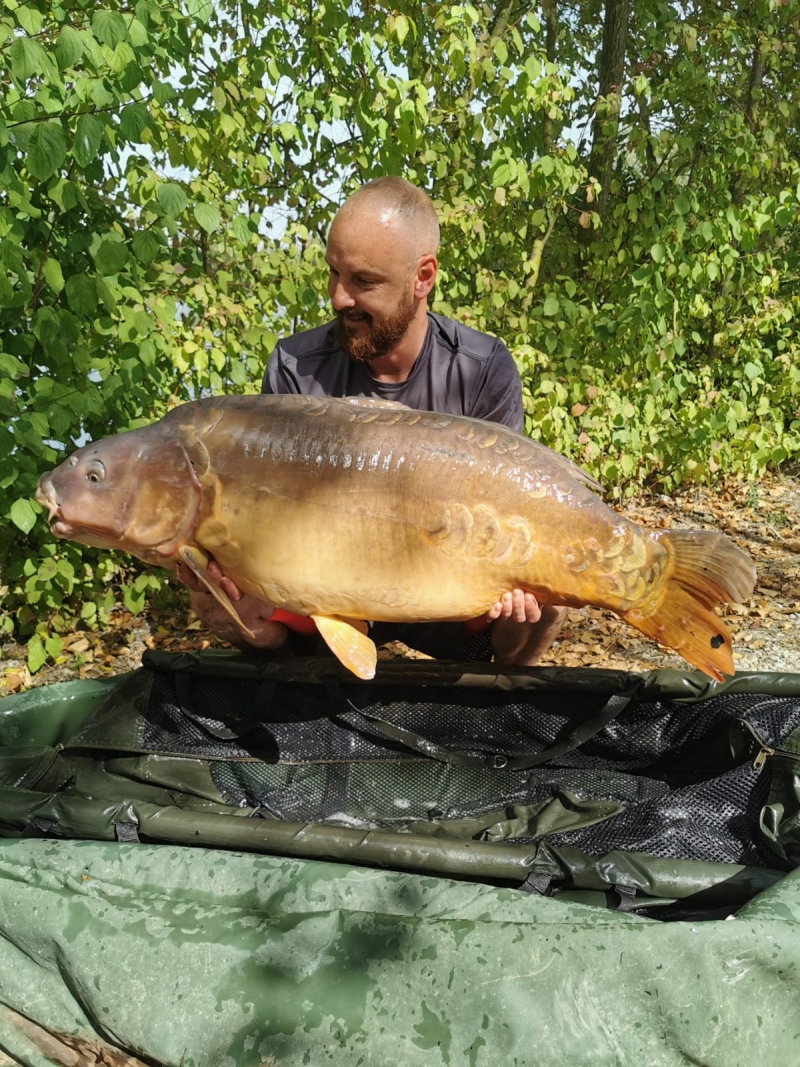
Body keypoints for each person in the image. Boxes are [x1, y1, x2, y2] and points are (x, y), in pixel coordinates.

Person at [179, 176, 566, 666]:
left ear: (423, 277)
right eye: (334, 273)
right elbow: (265, 508)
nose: (339, 297)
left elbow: (506, 505)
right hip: (327, 587)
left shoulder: (482, 366)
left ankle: (495, 709)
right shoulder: (295, 367)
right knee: (213, 599)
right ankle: (304, 694)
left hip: (447, 591)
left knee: (545, 604)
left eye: (363, 281)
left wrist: (519, 579)